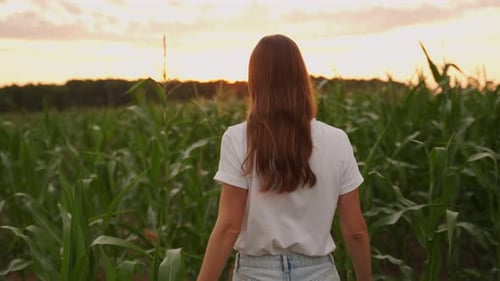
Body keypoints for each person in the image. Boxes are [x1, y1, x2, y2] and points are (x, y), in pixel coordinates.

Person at [197, 34, 372, 281]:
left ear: (255, 81)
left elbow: (228, 227)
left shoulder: (237, 138)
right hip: (319, 273)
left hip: (255, 274)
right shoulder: (337, 139)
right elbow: (355, 230)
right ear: (301, 78)